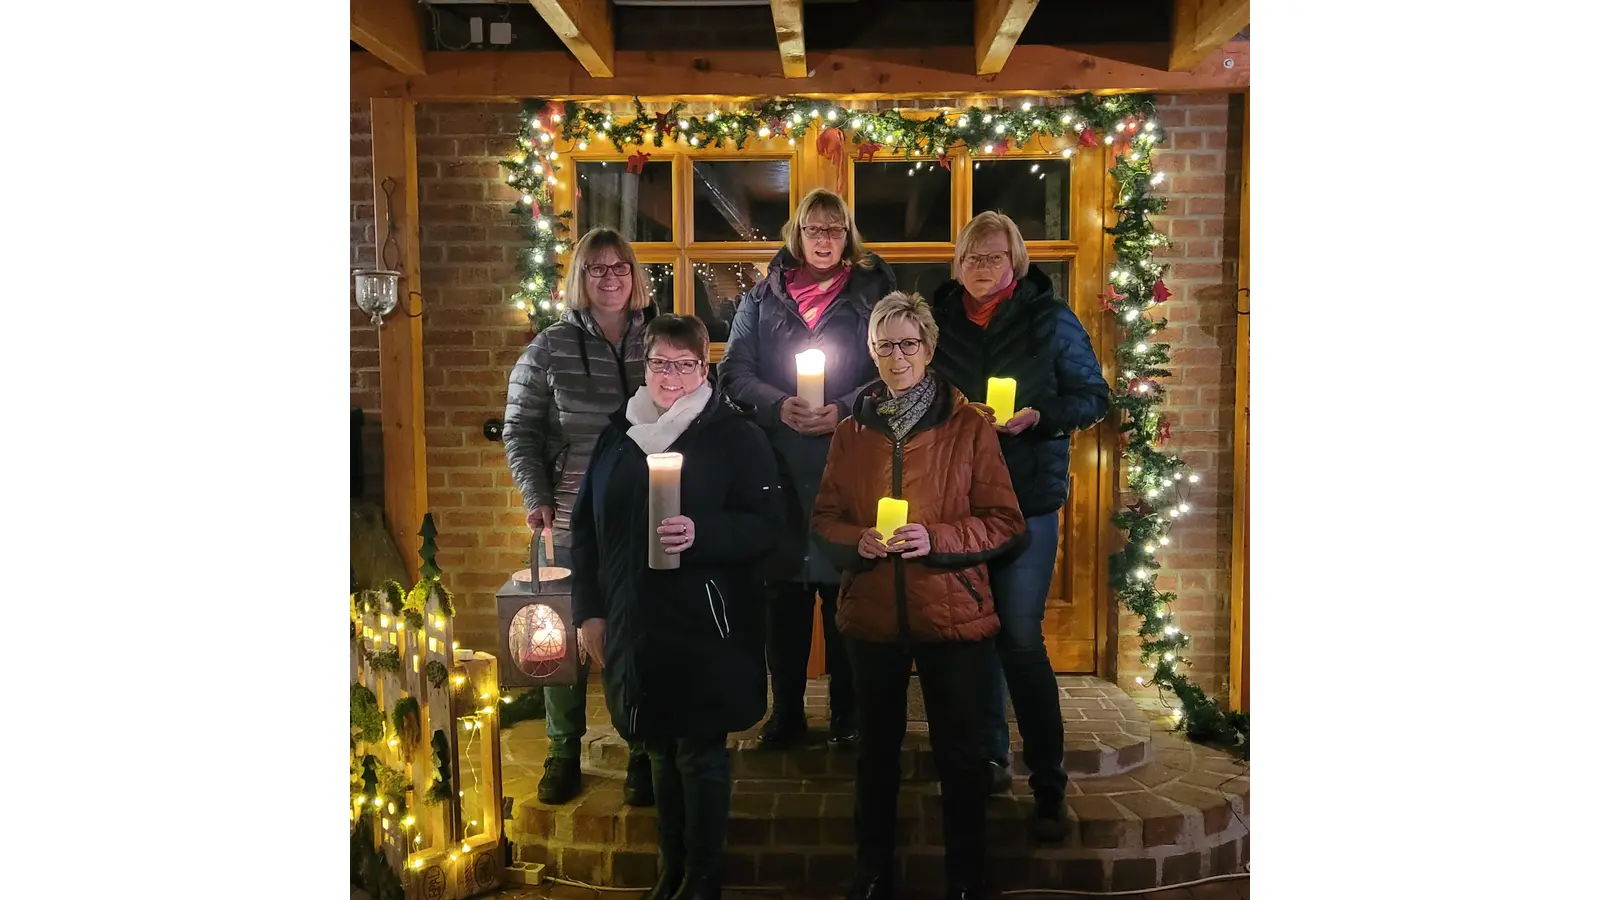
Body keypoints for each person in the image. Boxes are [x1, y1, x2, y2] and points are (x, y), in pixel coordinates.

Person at [812, 292, 1026, 900]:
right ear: (871, 352)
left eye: (908, 343)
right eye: (884, 345)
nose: (896, 356)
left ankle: (966, 877)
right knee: (874, 756)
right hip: (872, 612)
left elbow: (1005, 521)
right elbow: (825, 518)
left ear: (930, 349)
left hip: (951, 610)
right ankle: (873, 871)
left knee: (959, 757)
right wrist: (860, 542)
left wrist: (934, 537)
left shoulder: (968, 426)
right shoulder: (852, 430)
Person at [570, 314, 783, 900]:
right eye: (660, 363)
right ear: (646, 366)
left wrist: (703, 534)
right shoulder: (620, 434)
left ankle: (704, 875)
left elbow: (768, 527)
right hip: (636, 616)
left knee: (699, 750)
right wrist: (590, 610)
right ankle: (673, 866)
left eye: (683, 364)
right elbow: (586, 532)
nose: (670, 376)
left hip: (704, 621)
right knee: (659, 745)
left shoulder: (734, 435)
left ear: (703, 368)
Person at [928, 211, 1111, 840]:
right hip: (957, 502)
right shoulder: (939, 320)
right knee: (971, 638)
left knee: (1021, 636)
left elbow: (1093, 396)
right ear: (959, 264)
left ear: (1017, 261)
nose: (984, 268)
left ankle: (1048, 778)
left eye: (995, 257)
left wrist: (1042, 416)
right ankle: (987, 758)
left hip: (1027, 497)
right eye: (973, 258)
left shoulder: (1049, 318)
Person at [719, 188, 896, 748]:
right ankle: (787, 713)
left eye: (835, 229)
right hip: (778, 467)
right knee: (784, 599)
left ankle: (848, 715)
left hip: (848, 461)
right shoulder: (762, 299)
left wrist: (843, 408)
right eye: (814, 230)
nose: (824, 240)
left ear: (848, 236)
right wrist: (778, 404)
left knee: (845, 590)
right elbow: (734, 371)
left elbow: (897, 368)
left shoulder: (874, 293)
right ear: (797, 235)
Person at [502, 227, 657, 807]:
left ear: (635, 276)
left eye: (621, 267)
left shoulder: (658, 340)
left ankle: (642, 747)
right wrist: (535, 495)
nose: (611, 278)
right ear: (580, 279)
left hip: (640, 519)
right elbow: (520, 430)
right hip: (567, 517)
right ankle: (562, 750)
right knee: (559, 641)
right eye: (597, 269)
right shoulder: (548, 348)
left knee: (636, 637)